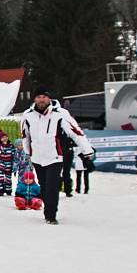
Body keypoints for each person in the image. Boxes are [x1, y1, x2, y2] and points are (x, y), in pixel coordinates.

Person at [21, 86, 92, 224]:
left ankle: (51, 215)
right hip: (37, 157)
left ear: (49, 98)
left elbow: (76, 132)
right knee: (44, 187)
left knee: (52, 186)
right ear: (35, 99)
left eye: (44, 97)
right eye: (39, 97)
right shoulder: (27, 115)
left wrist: (87, 150)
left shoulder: (60, 113)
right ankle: (48, 209)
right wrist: (27, 151)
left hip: (54, 156)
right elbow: (25, 135)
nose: (41, 100)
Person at [0, 129, 14, 196]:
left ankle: (8, 190)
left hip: (9, 163)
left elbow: (13, 153)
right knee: (0, 177)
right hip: (1, 163)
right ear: (0, 139)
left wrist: (13, 161)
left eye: (6, 137)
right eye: (3, 137)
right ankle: (0, 190)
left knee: (8, 177)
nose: (5, 138)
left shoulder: (11, 145)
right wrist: (3, 147)